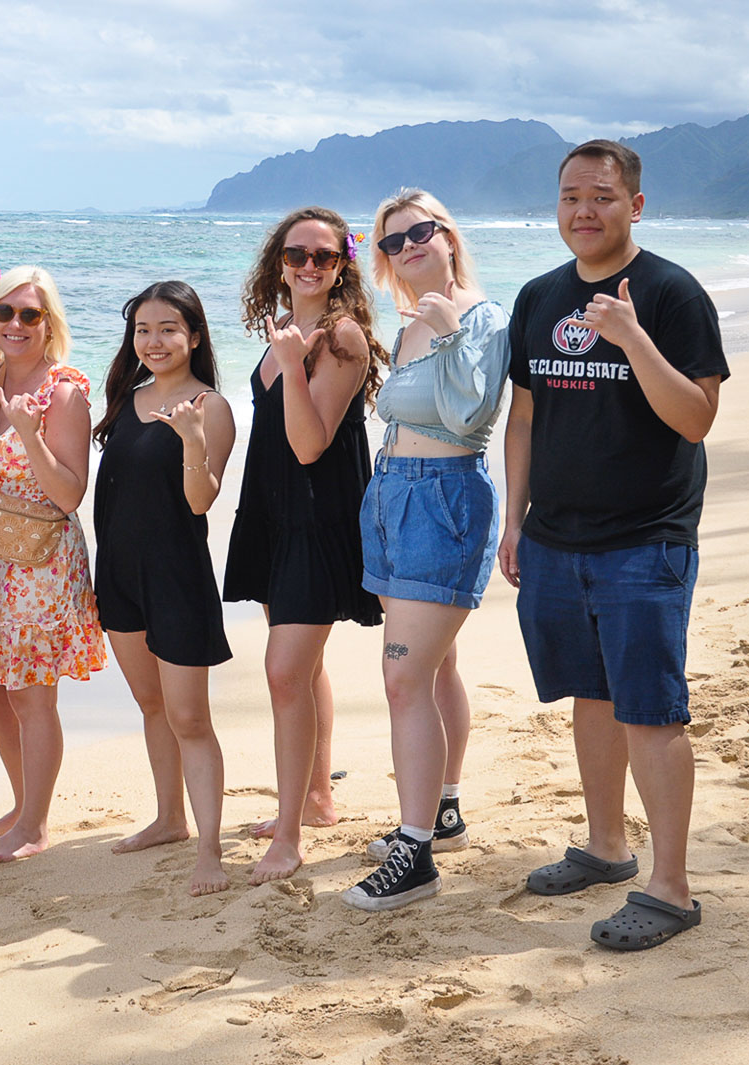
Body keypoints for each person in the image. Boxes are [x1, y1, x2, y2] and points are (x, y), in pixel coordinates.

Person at [499, 140, 727, 949]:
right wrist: (515, 518)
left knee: (652, 709)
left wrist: (631, 338)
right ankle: (606, 846)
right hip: (557, 539)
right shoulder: (538, 296)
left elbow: (695, 419)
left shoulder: (669, 293)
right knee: (589, 695)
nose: (582, 211)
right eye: (569, 197)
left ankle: (670, 888)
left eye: (600, 196)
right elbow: (523, 415)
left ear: (635, 204)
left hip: (645, 538)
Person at [341, 189, 511, 912]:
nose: (407, 247)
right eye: (391, 242)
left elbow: (469, 415)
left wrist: (447, 333)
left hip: (443, 499)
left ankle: (414, 854)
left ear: (447, 235)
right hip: (392, 495)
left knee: (403, 679)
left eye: (419, 233)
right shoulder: (407, 320)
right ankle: (441, 812)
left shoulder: (481, 314)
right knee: (435, 668)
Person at [224, 207, 385, 885]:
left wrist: (291, 364)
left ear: (344, 262)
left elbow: (310, 442)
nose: (310, 267)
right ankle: (316, 797)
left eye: (324, 256)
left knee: (285, 672)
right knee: (304, 666)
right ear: (278, 263)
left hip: (320, 518)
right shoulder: (286, 331)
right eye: (297, 255)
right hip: (274, 510)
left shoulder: (342, 336)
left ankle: (288, 837)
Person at [92, 281, 236, 897]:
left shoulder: (211, 406)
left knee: (189, 717)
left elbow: (201, 502)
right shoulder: (127, 397)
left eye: (168, 329)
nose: (154, 341)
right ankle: (169, 819)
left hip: (177, 578)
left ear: (194, 336)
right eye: (143, 330)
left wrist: (193, 441)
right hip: (119, 574)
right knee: (152, 708)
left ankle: (209, 848)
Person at [0, 265, 107, 864]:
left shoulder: (65, 390)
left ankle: (36, 824)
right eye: (5, 312)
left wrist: (30, 432)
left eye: (30, 314)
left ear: (50, 323)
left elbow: (71, 493)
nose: (16, 324)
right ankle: (24, 804)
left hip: (40, 563)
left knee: (30, 696)